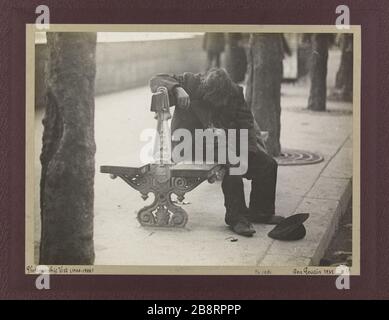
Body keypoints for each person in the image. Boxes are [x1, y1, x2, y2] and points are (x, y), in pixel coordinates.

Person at [150, 68, 284, 237]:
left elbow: (246, 123)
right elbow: (156, 79)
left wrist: (248, 152)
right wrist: (177, 88)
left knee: (267, 164)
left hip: (221, 142)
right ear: (205, 88)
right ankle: (237, 218)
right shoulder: (191, 83)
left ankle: (260, 212)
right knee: (232, 162)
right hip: (189, 143)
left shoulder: (235, 92)